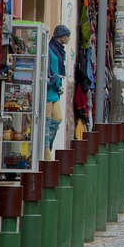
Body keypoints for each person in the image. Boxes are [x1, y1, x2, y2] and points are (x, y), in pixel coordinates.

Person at [46, 24, 70, 161]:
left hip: (56, 89)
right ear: (61, 36)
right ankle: (45, 151)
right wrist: (56, 78)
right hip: (50, 89)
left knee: (57, 119)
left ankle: (47, 146)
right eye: (67, 36)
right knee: (49, 121)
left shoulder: (60, 50)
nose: (68, 38)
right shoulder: (51, 49)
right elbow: (50, 69)